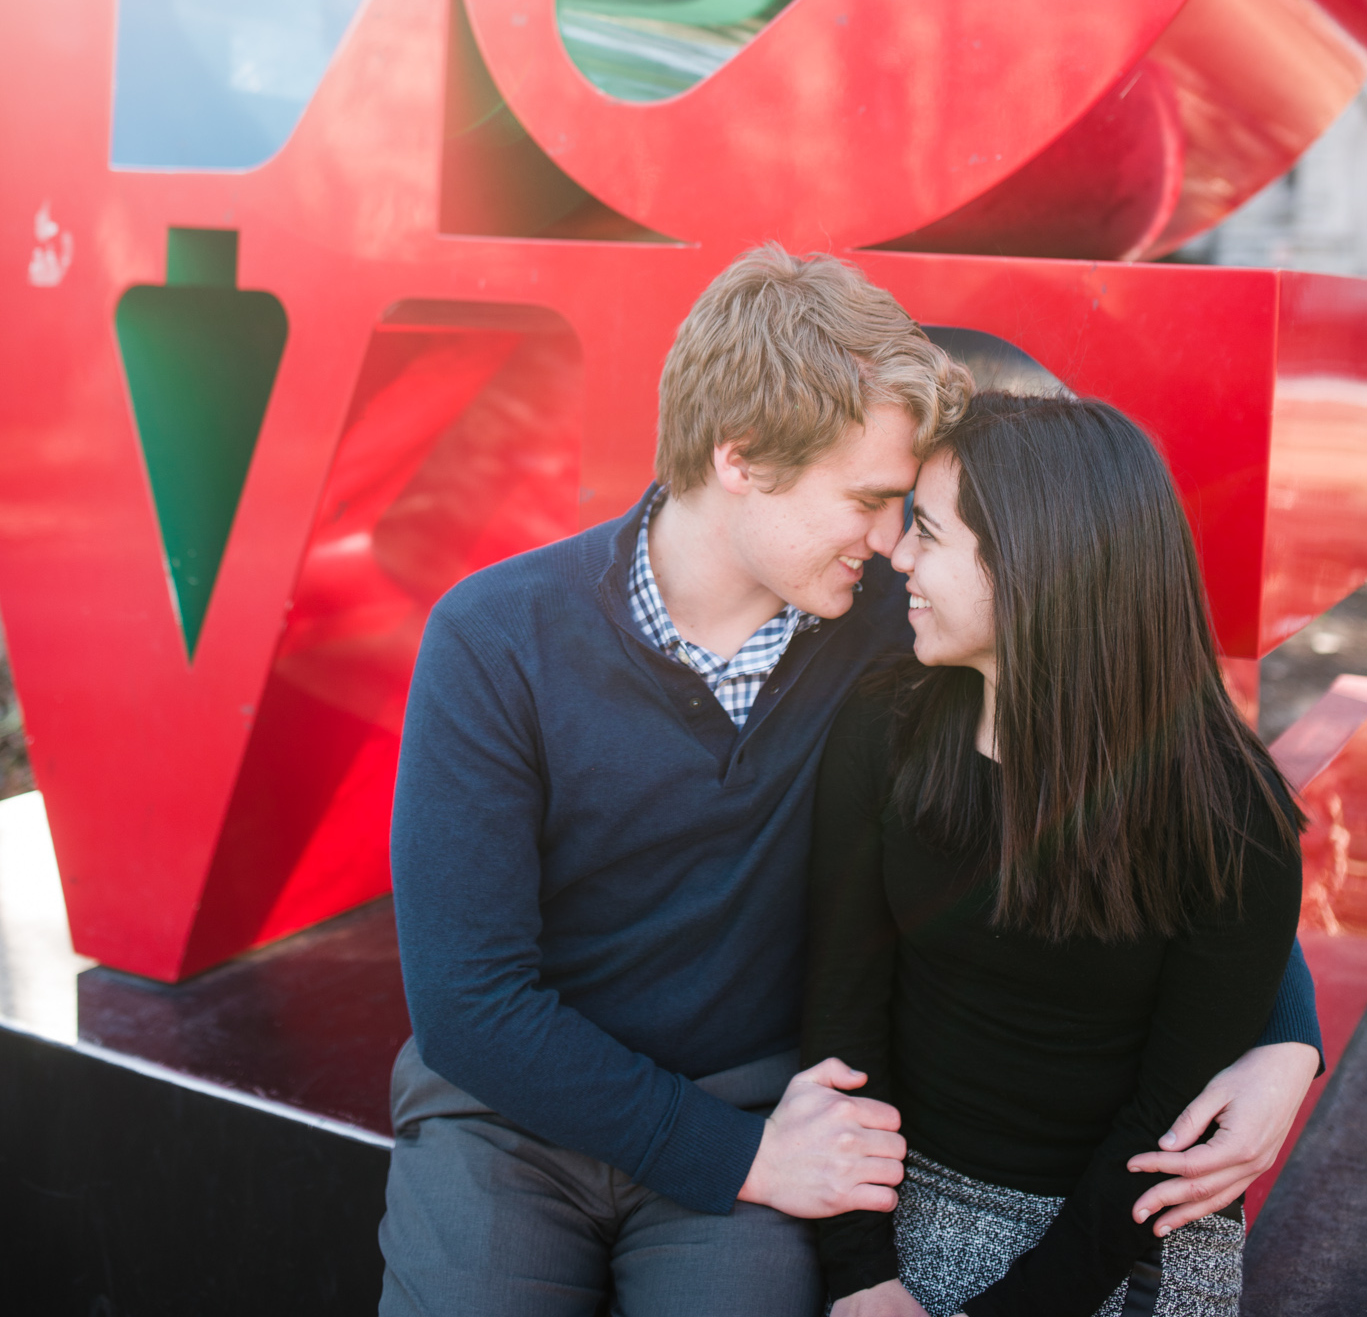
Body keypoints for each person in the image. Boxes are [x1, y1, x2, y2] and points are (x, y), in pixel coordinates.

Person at [379, 250, 1320, 1317]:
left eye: (906, 511)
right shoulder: (498, 635)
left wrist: (1286, 1034)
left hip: (766, 1101)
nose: (890, 543)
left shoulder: (896, 630)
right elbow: (467, 1002)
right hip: (512, 1117)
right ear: (740, 459)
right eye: (871, 499)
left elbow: (1144, 793)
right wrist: (737, 1157)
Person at [802, 391, 1309, 1317]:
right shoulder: (885, 729)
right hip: (914, 1190)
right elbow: (841, 1016)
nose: (898, 556)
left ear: (1033, 565)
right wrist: (860, 1274)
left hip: (1132, 1221)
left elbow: (1163, 1123)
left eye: (930, 533)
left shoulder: (1228, 816)